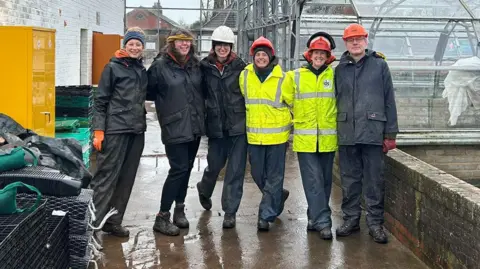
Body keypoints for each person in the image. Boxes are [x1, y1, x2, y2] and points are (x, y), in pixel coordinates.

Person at [334, 23, 398, 244]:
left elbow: (389, 100)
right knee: (349, 180)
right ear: (345, 43)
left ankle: (375, 223)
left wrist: (390, 134)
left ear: (366, 40)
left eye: (358, 39)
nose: (355, 42)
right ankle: (351, 220)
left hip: (372, 132)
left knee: (374, 181)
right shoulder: (339, 68)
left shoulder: (379, 65)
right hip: (347, 133)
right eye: (351, 39)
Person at [90, 27, 148, 237]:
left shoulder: (141, 69)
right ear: (125, 46)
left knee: (127, 178)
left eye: (138, 44)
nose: (134, 47)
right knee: (106, 177)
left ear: (142, 48)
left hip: (136, 130)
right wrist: (99, 130)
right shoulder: (112, 68)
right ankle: (91, 223)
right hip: (115, 130)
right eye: (131, 44)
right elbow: (100, 101)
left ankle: (113, 221)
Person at [147, 29, 205, 236]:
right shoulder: (160, 66)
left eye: (188, 41)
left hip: (195, 126)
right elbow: (148, 92)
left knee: (187, 168)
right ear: (171, 43)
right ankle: (162, 216)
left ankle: (179, 210)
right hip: (174, 126)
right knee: (178, 169)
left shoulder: (195, 65)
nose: (185, 44)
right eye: (180, 41)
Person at [282, 32, 338, 240]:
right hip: (305, 140)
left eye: (323, 53)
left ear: (328, 55)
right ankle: (324, 222)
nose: (319, 56)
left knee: (324, 182)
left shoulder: (334, 75)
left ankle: (313, 218)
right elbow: (283, 100)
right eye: (316, 52)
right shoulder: (295, 76)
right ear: (309, 54)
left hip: (327, 139)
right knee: (313, 181)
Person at [196, 26, 247, 228]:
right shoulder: (204, 67)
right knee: (215, 165)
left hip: (237, 126)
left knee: (235, 171)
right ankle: (204, 189)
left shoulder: (241, 67)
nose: (222, 49)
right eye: (219, 45)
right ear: (214, 46)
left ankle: (230, 212)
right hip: (216, 127)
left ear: (231, 46)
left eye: (226, 45)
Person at [239, 36, 291, 231]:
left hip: (277, 137)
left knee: (275, 176)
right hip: (254, 136)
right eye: (258, 54)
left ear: (271, 56)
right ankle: (278, 195)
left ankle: (266, 215)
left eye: (264, 54)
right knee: (257, 173)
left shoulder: (283, 78)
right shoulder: (245, 76)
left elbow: (293, 102)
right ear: (253, 57)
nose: (261, 58)